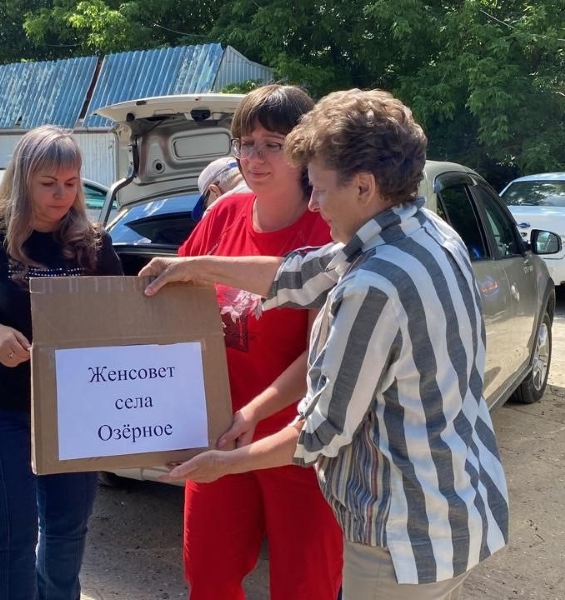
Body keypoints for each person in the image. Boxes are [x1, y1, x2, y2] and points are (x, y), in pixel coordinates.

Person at [140, 89, 510, 599]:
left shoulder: (374, 285)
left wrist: (220, 463)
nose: (312, 202)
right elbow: (299, 271)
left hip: (401, 529)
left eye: (317, 187)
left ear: (363, 186)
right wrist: (192, 265)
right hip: (458, 502)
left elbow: (320, 433)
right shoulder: (422, 232)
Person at [0, 125, 123, 600]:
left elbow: (121, 319)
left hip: (73, 410)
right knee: (11, 537)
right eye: (48, 183)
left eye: (71, 183)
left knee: (66, 531)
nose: (61, 195)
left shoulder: (92, 244)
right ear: (22, 178)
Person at [176, 84, 344, 600]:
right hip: (218, 434)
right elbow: (171, 309)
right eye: (244, 143)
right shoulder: (223, 215)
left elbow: (322, 357)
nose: (254, 157)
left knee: (305, 587)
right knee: (208, 577)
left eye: (272, 143)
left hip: (300, 446)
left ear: (304, 150)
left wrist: (252, 412)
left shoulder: (330, 227)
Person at [191, 156, 246, 221]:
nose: (207, 208)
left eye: (205, 205)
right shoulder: (259, 195)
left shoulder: (219, 221)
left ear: (214, 192)